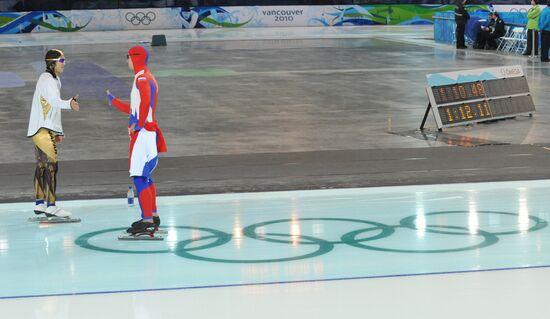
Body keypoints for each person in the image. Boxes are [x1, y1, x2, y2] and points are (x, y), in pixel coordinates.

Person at [106, 45, 167, 236]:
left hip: (143, 134)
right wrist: (114, 101)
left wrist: (138, 125)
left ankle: (147, 220)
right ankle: (152, 216)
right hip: (148, 133)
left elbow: (146, 103)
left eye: (128, 57)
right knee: (146, 176)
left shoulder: (141, 78)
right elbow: (137, 107)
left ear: (135, 57)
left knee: (139, 177)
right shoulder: (146, 76)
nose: (127, 61)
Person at [27, 49, 80, 218]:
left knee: (42, 165)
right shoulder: (47, 79)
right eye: (61, 61)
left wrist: (59, 131)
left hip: (41, 128)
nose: (64, 64)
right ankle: (51, 205)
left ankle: (40, 203)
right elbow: (54, 102)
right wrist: (69, 103)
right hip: (43, 129)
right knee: (52, 166)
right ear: (52, 63)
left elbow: (52, 110)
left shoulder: (53, 79)